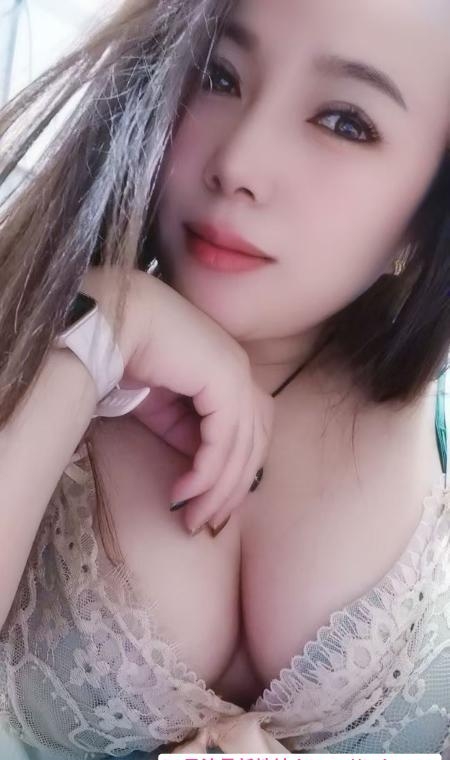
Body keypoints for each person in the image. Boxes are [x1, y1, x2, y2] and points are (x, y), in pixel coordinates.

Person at [0, 0, 450, 757]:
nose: (238, 163)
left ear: (428, 213)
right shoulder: (35, 335)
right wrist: (94, 335)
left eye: (345, 122)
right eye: (218, 75)